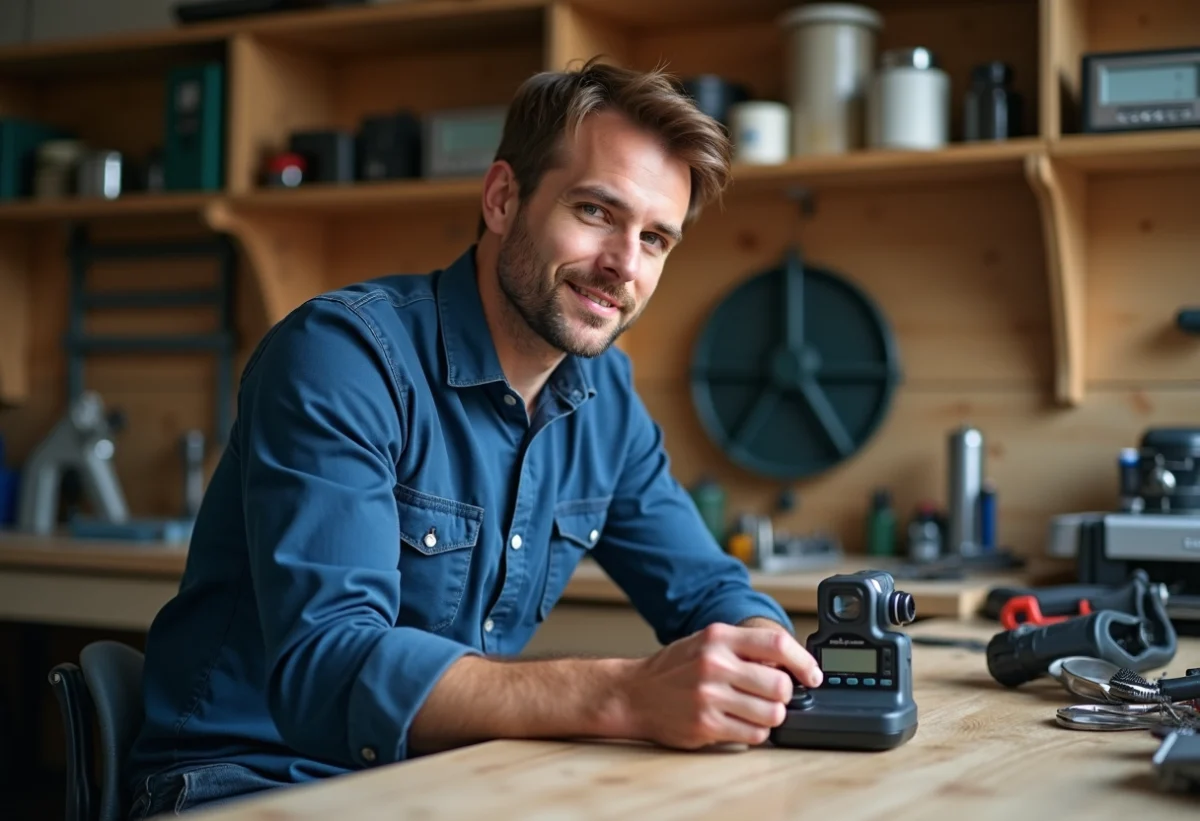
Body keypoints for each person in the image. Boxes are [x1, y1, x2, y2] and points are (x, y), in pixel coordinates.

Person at [124, 58, 823, 818]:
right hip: (245, 781)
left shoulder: (606, 400)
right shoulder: (342, 356)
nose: (624, 264)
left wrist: (758, 650)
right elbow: (327, 664)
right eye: (595, 211)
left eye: (656, 238)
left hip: (440, 783)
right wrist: (625, 692)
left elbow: (707, 590)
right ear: (502, 198)